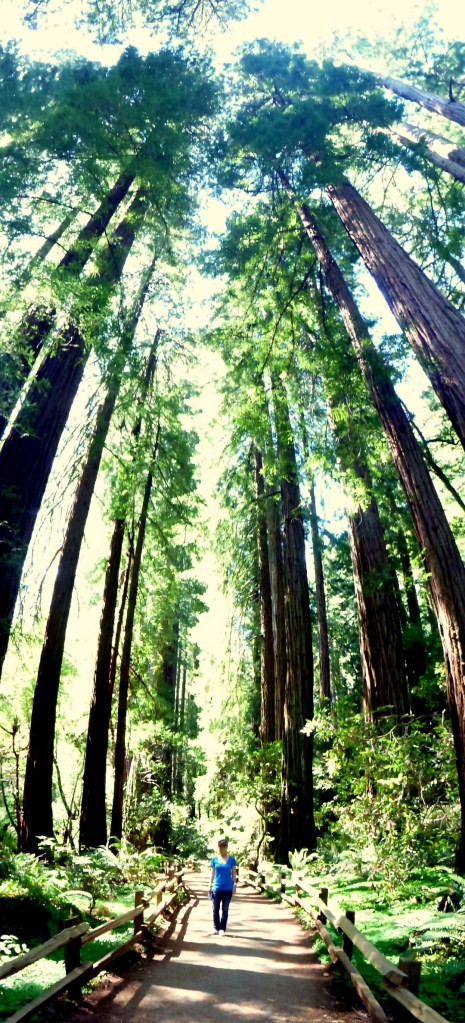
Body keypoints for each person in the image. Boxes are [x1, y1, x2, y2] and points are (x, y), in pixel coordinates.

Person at [209, 837, 237, 935]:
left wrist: (235, 885)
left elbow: (234, 873)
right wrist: (209, 886)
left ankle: (222, 928)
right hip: (216, 887)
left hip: (228, 888)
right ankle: (216, 927)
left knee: (225, 909)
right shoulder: (214, 860)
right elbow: (212, 874)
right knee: (215, 908)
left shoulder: (232, 860)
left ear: (227, 847)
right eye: (221, 847)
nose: (223, 849)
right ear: (218, 848)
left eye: (224, 847)